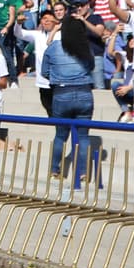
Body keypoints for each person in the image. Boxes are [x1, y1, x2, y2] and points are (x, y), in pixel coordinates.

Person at [43, 10, 97, 180]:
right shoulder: (85, 48)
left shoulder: (53, 47)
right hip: (84, 93)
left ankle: (55, 170)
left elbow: (45, 71)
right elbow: (91, 67)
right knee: (83, 136)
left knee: (60, 135)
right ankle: (83, 173)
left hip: (61, 93)